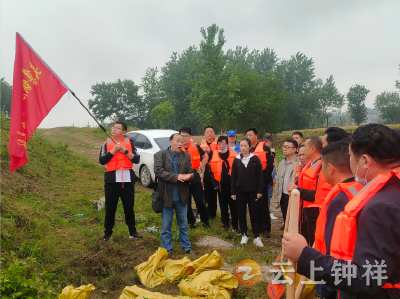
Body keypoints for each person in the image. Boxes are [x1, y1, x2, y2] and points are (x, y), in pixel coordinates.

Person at [282, 124, 400, 299]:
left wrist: (305, 255)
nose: (350, 162)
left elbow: (367, 278)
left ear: (365, 161)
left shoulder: (381, 206)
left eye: (351, 156)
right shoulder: (392, 191)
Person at [313, 138, 364, 299]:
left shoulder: (339, 199)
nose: (321, 173)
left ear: (330, 168)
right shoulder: (360, 188)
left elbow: (333, 245)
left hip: (336, 273)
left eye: (321, 168)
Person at [99, 122, 141, 243]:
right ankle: (107, 234)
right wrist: (113, 151)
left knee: (129, 207)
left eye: (118, 128)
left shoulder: (129, 143)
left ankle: (133, 232)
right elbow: (102, 160)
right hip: (112, 181)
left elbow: (137, 159)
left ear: (124, 132)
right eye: (113, 128)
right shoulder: (106, 143)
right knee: (110, 208)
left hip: (127, 181)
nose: (114, 130)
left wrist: (125, 151)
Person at [154, 133, 194, 254]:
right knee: (166, 226)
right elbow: (159, 172)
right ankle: (167, 249)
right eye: (178, 141)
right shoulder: (160, 155)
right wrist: (176, 177)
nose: (180, 144)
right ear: (170, 142)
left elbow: (191, 171)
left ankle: (186, 247)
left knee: (183, 224)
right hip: (167, 195)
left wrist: (189, 176)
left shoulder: (186, 156)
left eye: (182, 141)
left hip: (182, 196)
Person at [287, 136, 325, 246]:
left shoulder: (321, 167)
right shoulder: (309, 165)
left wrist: (297, 190)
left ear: (313, 149)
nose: (302, 150)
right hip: (304, 212)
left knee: (313, 244)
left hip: (314, 213)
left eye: (305, 147)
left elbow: (317, 194)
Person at [231, 138, 264, 247]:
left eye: (245, 146)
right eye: (241, 146)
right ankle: (244, 235)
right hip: (240, 191)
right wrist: (233, 192)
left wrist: (260, 190)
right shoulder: (236, 160)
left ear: (250, 146)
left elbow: (260, 176)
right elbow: (233, 177)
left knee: (254, 214)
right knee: (241, 214)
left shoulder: (255, 159)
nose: (243, 148)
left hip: (253, 191)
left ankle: (256, 236)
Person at [179, 127, 212, 229]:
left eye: (186, 136)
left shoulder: (196, 147)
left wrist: (201, 168)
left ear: (190, 136)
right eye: (182, 136)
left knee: (199, 200)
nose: (184, 138)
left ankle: (205, 222)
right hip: (183, 177)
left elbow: (205, 156)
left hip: (194, 175)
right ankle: (191, 222)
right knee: (186, 201)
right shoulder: (177, 148)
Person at [246, 128, 273, 238]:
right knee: (253, 205)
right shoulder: (246, 150)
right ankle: (256, 227)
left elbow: (270, 165)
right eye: (247, 135)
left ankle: (266, 228)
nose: (249, 137)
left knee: (263, 204)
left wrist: (265, 179)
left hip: (262, 180)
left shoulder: (265, 148)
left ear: (256, 136)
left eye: (251, 135)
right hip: (251, 181)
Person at [210, 136, 239, 233]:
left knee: (234, 206)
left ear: (227, 144)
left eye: (223, 144)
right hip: (221, 186)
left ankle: (235, 225)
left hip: (232, 186)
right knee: (223, 206)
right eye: (219, 144)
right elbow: (211, 172)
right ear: (217, 145)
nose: (221, 146)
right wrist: (215, 184)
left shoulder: (234, 154)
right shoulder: (214, 155)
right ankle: (225, 224)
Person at [274, 139, 300, 227]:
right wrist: (276, 199)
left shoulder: (299, 163)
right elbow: (278, 181)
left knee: (295, 216)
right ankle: (287, 230)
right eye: (284, 147)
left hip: (294, 195)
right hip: (283, 194)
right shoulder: (282, 163)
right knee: (285, 214)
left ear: (294, 149)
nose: (284, 149)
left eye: (287, 147)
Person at [201, 126, 219, 219]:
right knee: (206, 193)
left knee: (213, 194)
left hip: (215, 171)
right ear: (205, 134)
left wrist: (211, 151)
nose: (209, 133)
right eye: (207, 132)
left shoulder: (217, 144)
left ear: (214, 133)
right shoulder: (202, 144)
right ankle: (206, 211)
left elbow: (219, 154)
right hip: (206, 172)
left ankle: (213, 213)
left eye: (211, 132)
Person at [263, 134, 277, 220]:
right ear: (268, 142)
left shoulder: (259, 149)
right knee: (268, 196)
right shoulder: (266, 150)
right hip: (267, 179)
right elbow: (269, 163)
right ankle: (267, 212)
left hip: (268, 177)